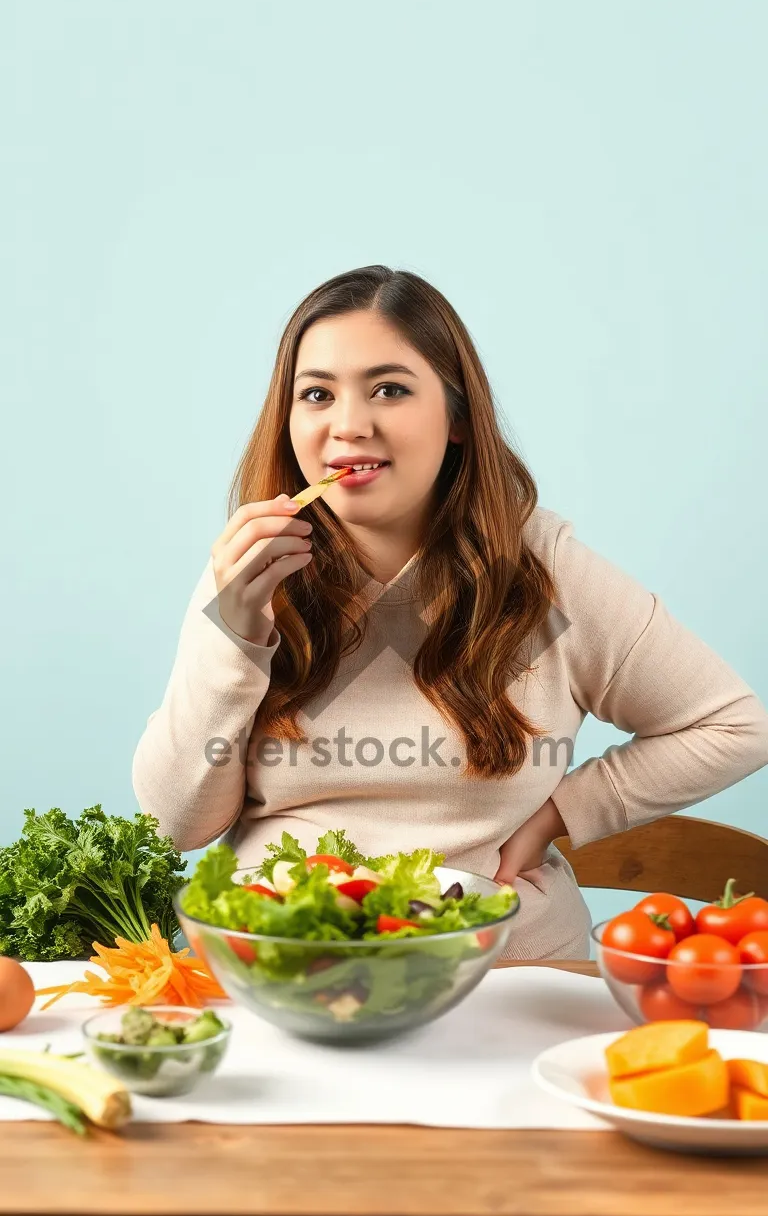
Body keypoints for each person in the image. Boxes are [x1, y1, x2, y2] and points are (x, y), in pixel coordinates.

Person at [132, 265, 768, 960]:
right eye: (317, 394)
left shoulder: (545, 573)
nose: (349, 424)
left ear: (458, 418)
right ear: (289, 422)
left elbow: (735, 725)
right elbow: (175, 826)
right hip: (280, 968)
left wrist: (560, 816)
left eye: (390, 390)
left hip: (500, 976)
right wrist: (238, 635)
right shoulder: (251, 571)